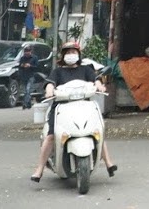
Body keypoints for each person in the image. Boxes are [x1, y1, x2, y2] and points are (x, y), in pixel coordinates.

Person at [30, 42, 117, 183]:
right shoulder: (57, 71)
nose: (71, 55)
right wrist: (49, 90)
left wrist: (99, 86)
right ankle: (39, 169)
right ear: (63, 55)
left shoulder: (86, 69)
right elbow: (50, 83)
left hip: (84, 106)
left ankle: (108, 163)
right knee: (51, 136)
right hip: (62, 107)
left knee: (97, 131)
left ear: (78, 54)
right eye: (68, 52)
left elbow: (96, 80)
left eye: (73, 52)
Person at [18, 44, 39, 110]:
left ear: (31, 51)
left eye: (28, 51)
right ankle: (29, 103)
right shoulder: (22, 58)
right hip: (24, 76)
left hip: (31, 76)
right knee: (25, 91)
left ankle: (25, 104)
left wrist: (30, 66)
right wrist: (22, 65)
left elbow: (37, 67)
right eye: (26, 51)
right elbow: (20, 66)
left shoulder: (34, 58)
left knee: (28, 90)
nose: (27, 52)